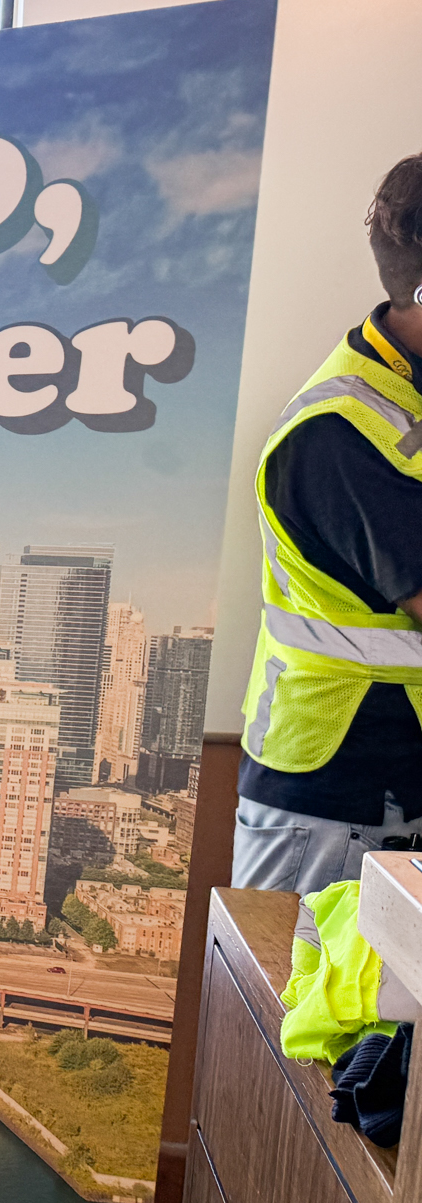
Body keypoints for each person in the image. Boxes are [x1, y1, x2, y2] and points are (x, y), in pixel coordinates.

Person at [235, 152, 422, 893]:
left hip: (387, 780)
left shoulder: (405, 400)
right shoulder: (342, 432)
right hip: (336, 791)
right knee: (297, 1000)